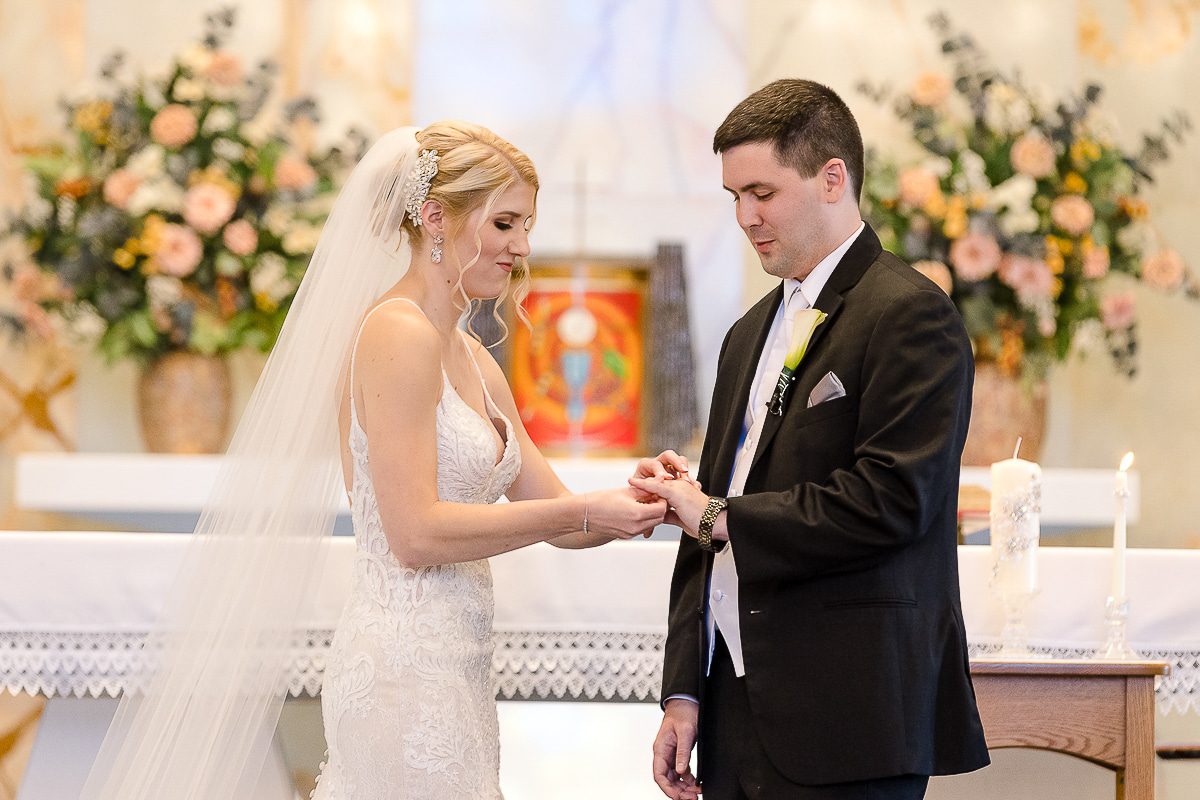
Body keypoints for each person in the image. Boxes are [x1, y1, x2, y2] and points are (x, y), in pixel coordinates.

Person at [81, 123, 665, 800]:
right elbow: (414, 534)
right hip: (402, 672)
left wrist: (646, 498)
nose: (522, 247)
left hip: (456, 669)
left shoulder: (473, 357)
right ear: (436, 217)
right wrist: (585, 509)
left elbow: (563, 517)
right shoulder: (396, 332)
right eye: (504, 223)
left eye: (526, 225)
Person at [632, 79, 990, 800]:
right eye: (734, 196)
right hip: (736, 710)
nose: (745, 216)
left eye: (761, 192)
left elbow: (892, 500)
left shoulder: (910, 314)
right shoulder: (746, 335)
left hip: (848, 714)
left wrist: (715, 513)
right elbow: (710, 523)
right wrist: (685, 692)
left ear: (832, 178)